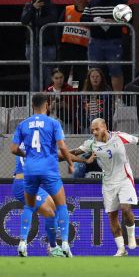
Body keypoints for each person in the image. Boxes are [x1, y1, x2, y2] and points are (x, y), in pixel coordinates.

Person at [70, 118, 139, 256]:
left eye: (97, 129)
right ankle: (121, 249)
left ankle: (131, 236)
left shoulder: (119, 136)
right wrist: (61, 155)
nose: (94, 132)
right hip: (108, 183)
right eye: (92, 130)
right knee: (112, 216)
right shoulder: (91, 144)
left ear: (105, 127)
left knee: (125, 208)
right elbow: (72, 153)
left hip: (124, 179)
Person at [10, 93, 75, 257]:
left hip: (29, 173)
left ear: (32, 106)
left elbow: (12, 149)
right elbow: (62, 147)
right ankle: (64, 244)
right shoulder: (53, 123)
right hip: (48, 171)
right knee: (61, 206)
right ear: (47, 105)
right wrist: (71, 163)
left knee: (33, 207)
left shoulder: (23, 125)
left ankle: (23, 243)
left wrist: (26, 155)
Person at [12, 143, 95, 257]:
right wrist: (84, 161)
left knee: (52, 211)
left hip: (22, 181)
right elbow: (61, 156)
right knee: (42, 209)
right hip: (25, 184)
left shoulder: (26, 138)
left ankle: (52, 247)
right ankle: (27, 243)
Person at [81, 0, 128, 91]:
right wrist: (95, 19)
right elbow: (83, 18)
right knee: (94, 71)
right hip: (95, 42)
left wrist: (114, 21)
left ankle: (118, 100)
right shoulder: (92, 2)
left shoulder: (119, 2)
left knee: (116, 70)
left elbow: (129, 19)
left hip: (114, 42)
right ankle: (94, 99)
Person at [21, 0, 58, 91]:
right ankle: (37, 103)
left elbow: (52, 19)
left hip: (47, 46)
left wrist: (34, 22)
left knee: (48, 74)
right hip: (31, 45)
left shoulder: (50, 5)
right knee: (34, 75)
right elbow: (24, 20)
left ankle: (49, 102)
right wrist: (33, 8)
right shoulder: (28, 6)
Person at [58, 0, 89, 88]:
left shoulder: (89, 11)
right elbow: (58, 28)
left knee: (78, 76)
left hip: (82, 50)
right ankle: (61, 96)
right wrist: (58, 44)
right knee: (63, 73)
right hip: (66, 48)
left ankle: (75, 95)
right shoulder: (68, 9)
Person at [80, 68, 113, 132]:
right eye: (92, 77)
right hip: (88, 123)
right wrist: (84, 123)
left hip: (102, 122)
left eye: (97, 76)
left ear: (101, 78)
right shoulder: (84, 92)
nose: (95, 78)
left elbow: (109, 110)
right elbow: (80, 110)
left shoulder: (107, 91)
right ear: (89, 78)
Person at [45, 68, 77, 133]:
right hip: (52, 120)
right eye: (56, 78)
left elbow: (74, 108)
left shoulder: (70, 89)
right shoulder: (48, 91)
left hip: (66, 121)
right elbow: (44, 110)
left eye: (61, 77)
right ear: (52, 78)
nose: (59, 80)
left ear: (64, 77)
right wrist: (52, 106)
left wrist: (64, 104)